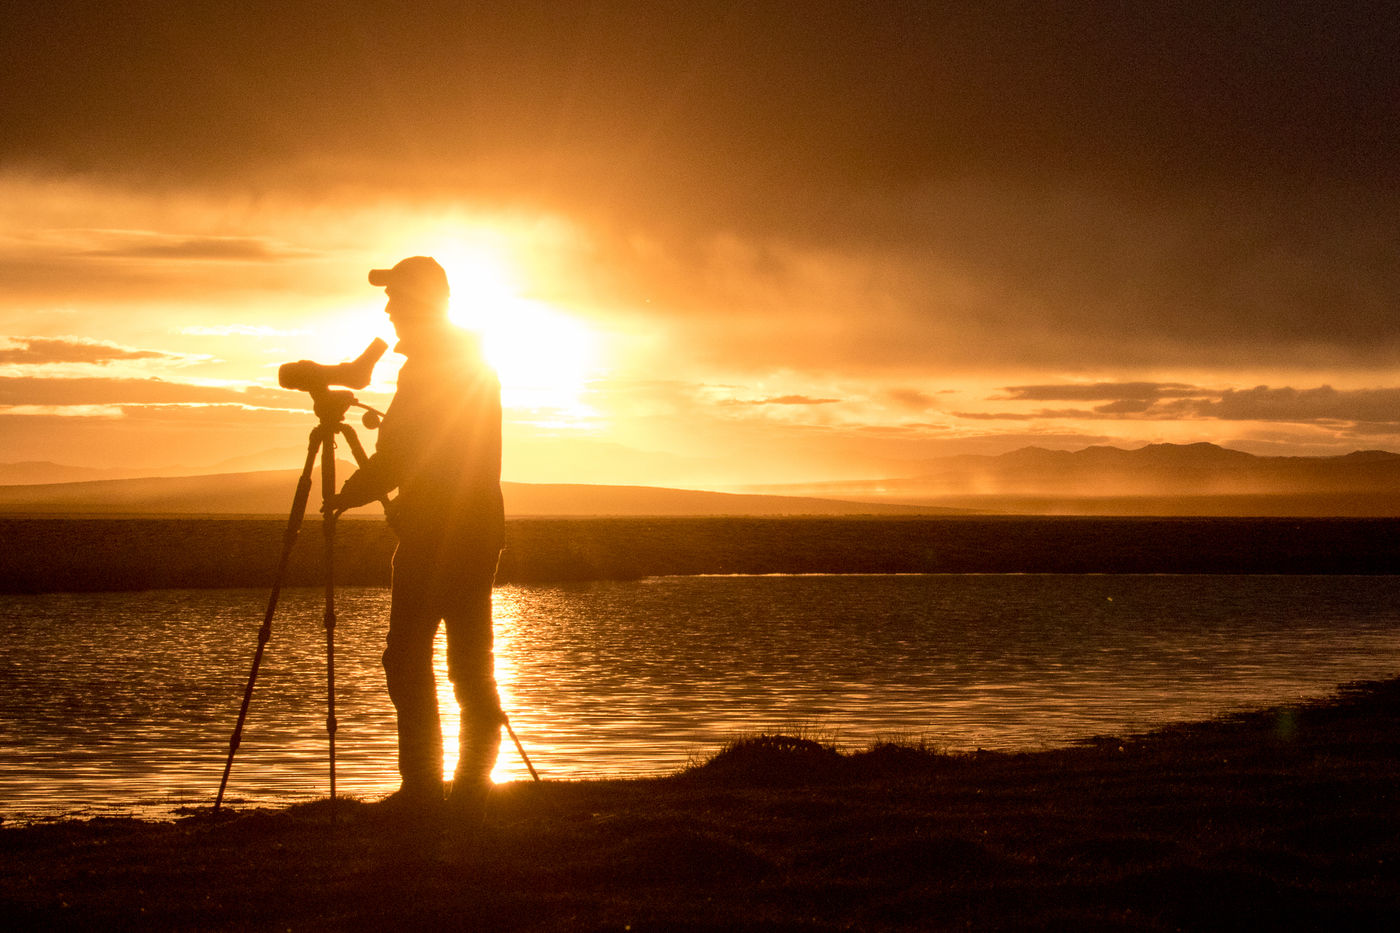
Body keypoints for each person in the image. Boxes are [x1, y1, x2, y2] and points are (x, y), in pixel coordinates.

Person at [329, 255, 506, 819]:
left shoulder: (433, 367)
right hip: (472, 533)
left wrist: (345, 496)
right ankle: (468, 788)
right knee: (467, 666)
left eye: (397, 298)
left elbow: (403, 453)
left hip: (438, 537)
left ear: (421, 303)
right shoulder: (468, 361)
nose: (388, 308)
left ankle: (430, 790)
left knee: (408, 659)